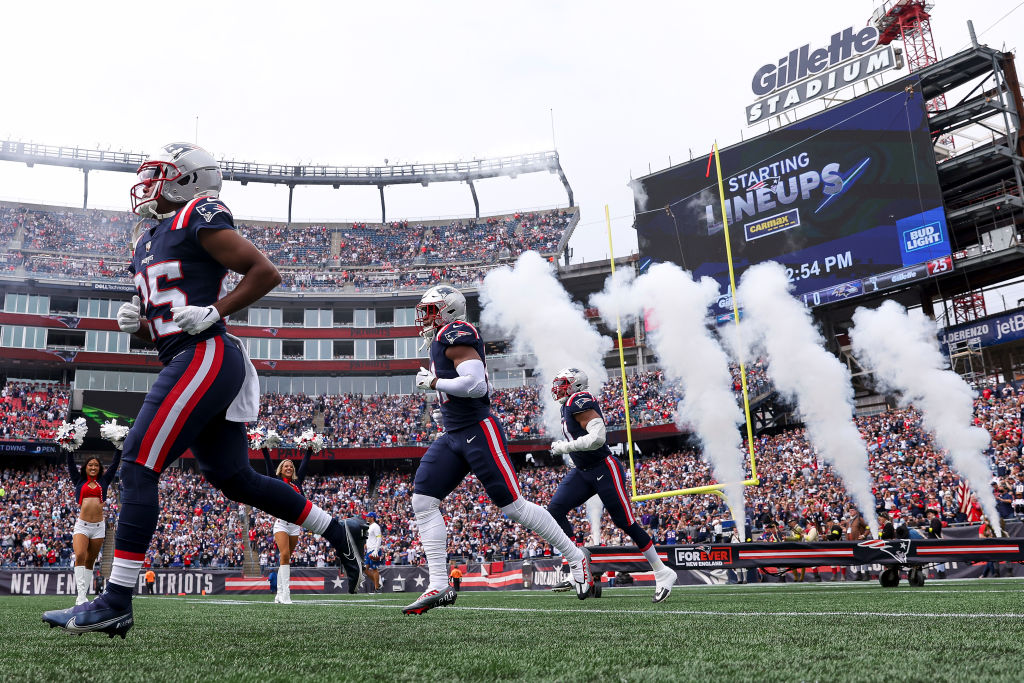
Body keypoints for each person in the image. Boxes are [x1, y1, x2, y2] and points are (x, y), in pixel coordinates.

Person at [43, 143, 366, 639]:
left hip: (207, 353)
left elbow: (264, 273)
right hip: (183, 355)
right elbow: (167, 324)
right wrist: (142, 330)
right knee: (233, 477)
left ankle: (115, 599)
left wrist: (217, 311)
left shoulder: (199, 211)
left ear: (190, 180)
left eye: (161, 174)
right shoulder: (145, 239)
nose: (148, 184)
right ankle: (337, 529)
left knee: (137, 462)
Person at [403, 285, 593, 615]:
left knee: (515, 507)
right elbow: (482, 385)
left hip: (478, 431)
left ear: (449, 311)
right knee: (422, 499)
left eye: (432, 310)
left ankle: (576, 558)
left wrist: (435, 385)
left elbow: (475, 385)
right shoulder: (442, 338)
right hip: (453, 433)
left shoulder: (456, 333)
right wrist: (444, 406)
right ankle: (438, 583)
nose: (427, 317)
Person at [546, 367, 676, 603]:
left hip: (604, 468)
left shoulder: (579, 400)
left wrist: (564, 447)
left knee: (625, 522)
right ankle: (578, 563)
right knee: (554, 511)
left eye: (563, 383)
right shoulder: (567, 405)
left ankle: (662, 572)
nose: (558, 387)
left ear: (575, 385)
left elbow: (598, 438)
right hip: (583, 471)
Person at [67, 452, 121, 605]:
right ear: (85, 467)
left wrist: (118, 448)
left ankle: (83, 595)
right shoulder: (79, 480)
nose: (93, 467)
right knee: (80, 555)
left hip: (98, 527)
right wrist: (69, 448)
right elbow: (71, 465)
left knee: (91, 560)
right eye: (90, 465)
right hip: (82, 525)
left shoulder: (104, 481)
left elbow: (115, 464)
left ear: (99, 468)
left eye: (96, 465)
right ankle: (80, 594)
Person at [262, 446, 312, 604]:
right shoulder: (275, 481)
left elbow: (305, 464)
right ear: (281, 469)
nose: (289, 467)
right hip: (281, 524)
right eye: (286, 465)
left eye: (291, 466)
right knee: (284, 555)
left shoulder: (297, 483)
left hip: (295, 525)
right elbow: (268, 466)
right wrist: (264, 448)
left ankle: (279, 593)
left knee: (286, 558)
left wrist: (310, 448)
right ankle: (286, 595)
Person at [363, 512, 383, 593]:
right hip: (369, 550)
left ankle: (377, 588)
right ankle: (378, 584)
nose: (366, 518)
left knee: (374, 569)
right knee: (365, 569)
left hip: (374, 550)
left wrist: (376, 550)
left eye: (368, 517)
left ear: (372, 518)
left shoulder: (375, 526)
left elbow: (379, 538)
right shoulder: (369, 526)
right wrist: (366, 544)